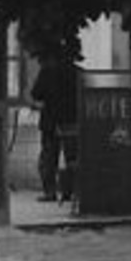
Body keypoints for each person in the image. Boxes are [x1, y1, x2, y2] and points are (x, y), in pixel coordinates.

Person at [31, 55, 79, 202]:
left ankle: (50, 192)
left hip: (51, 121)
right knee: (72, 157)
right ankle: (70, 191)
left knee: (48, 158)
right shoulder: (77, 72)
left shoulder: (47, 71)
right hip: (72, 120)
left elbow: (36, 94)